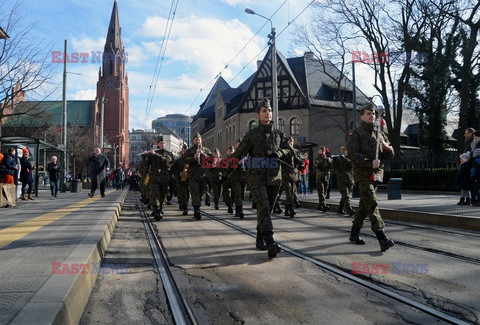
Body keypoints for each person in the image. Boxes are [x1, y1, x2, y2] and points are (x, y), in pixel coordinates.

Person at [233, 98, 293, 258]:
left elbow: (289, 150)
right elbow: (239, 154)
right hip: (256, 177)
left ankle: (260, 239)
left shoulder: (279, 134)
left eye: (269, 110)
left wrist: (278, 153)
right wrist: (226, 167)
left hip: (275, 177)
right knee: (264, 208)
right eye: (264, 111)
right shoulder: (251, 134)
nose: (268, 113)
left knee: (267, 210)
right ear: (259, 115)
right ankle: (270, 241)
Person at [346, 103, 395, 252]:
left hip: (376, 175)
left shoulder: (380, 133)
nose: (372, 116)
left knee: (363, 206)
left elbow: (390, 155)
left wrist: (388, 148)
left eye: (373, 113)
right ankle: (382, 237)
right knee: (372, 203)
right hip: (362, 175)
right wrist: (369, 163)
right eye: (368, 113)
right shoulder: (356, 133)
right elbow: (353, 154)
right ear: (361, 116)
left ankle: (354, 234)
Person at [183, 132, 212, 220]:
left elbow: (211, 160)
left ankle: (197, 206)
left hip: (203, 176)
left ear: (201, 140)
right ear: (193, 141)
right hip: (193, 176)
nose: (198, 141)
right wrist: (193, 158)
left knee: (201, 193)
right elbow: (185, 160)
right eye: (196, 140)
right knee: (195, 193)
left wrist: (203, 155)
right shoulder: (189, 151)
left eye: (199, 139)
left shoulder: (206, 150)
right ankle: (197, 210)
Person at [147, 136, 174, 220]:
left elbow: (167, 161)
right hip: (154, 177)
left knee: (163, 194)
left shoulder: (168, 153)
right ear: (157, 144)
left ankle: (161, 208)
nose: (163, 144)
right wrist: (146, 156)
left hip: (164, 177)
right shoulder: (152, 154)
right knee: (154, 194)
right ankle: (156, 210)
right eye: (161, 143)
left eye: (164, 143)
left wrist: (156, 155)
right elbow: (145, 165)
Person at [279, 136, 304, 218]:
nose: (291, 142)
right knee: (289, 193)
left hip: (294, 176)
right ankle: (291, 209)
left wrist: (301, 163)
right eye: (289, 141)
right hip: (285, 175)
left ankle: (287, 210)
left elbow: (301, 162)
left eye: (292, 141)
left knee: (293, 194)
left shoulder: (296, 151)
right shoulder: (284, 151)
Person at [332, 146, 355, 216]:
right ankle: (349, 209)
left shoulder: (351, 157)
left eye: (346, 150)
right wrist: (334, 160)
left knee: (345, 196)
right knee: (346, 195)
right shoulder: (339, 158)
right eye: (344, 150)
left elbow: (351, 164)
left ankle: (340, 209)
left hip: (350, 179)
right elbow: (333, 167)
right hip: (341, 179)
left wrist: (344, 158)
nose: (345, 151)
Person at [314, 146, 332, 212]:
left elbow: (331, 167)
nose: (323, 152)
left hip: (326, 177)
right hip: (319, 177)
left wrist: (329, 161)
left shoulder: (327, 158)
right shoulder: (317, 158)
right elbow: (316, 165)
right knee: (321, 192)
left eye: (324, 151)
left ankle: (320, 205)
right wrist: (323, 160)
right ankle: (324, 206)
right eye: (322, 151)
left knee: (324, 193)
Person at [222, 145, 235, 214]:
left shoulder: (236, 160)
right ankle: (229, 205)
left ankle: (231, 204)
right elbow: (220, 169)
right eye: (229, 151)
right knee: (226, 193)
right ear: (227, 152)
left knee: (234, 194)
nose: (231, 152)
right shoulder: (224, 160)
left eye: (232, 151)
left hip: (234, 179)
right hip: (226, 179)